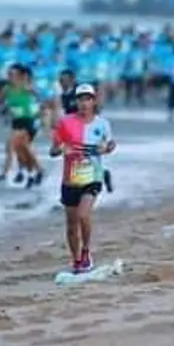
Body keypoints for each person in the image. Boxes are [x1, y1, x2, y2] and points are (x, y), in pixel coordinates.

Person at [49, 83, 116, 274]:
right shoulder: (65, 122)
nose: (84, 103)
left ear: (94, 101)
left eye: (88, 99)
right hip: (70, 179)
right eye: (81, 99)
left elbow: (111, 144)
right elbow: (53, 150)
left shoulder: (102, 124)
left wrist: (107, 148)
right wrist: (62, 149)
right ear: (76, 101)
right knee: (71, 226)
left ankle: (86, 251)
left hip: (92, 177)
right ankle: (76, 260)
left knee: (83, 215)